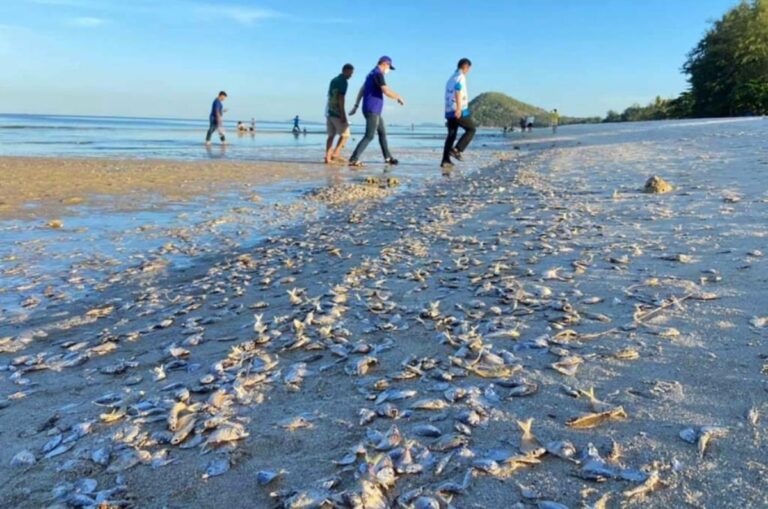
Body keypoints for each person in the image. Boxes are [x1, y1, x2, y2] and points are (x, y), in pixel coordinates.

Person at [348, 56, 405, 167]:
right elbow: (386, 91)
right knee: (369, 135)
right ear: (385, 64)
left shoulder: (370, 74)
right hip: (372, 109)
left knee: (382, 132)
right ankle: (353, 159)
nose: (388, 70)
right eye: (389, 67)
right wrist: (398, 97)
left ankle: (387, 157)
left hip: (373, 109)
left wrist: (356, 105)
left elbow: (362, 89)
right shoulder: (378, 74)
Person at [441, 58, 477, 169]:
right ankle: (457, 149)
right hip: (457, 109)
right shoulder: (460, 77)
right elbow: (458, 91)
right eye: (469, 69)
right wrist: (458, 109)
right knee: (471, 129)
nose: (468, 71)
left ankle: (445, 160)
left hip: (448, 110)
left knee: (451, 135)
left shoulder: (451, 78)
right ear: (466, 66)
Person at [325, 63, 354, 164]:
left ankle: (327, 158)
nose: (351, 76)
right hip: (337, 112)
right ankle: (336, 153)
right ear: (345, 71)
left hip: (329, 111)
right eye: (350, 73)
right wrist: (343, 114)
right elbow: (341, 98)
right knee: (345, 134)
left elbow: (331, 95)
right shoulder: (343, 81)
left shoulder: (334, 80)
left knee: (331, 135)